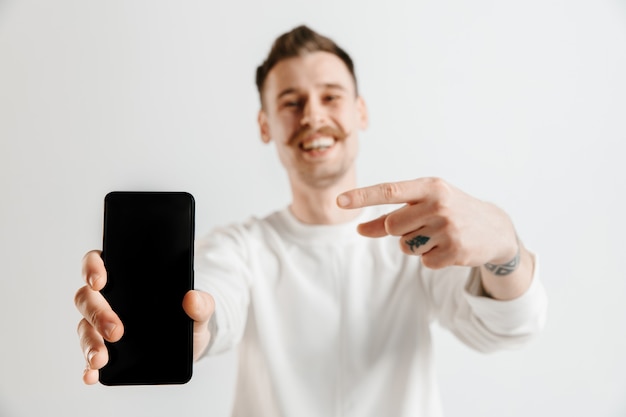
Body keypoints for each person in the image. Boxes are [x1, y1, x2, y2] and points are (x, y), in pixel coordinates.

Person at [75, 25, 547, 416]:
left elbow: (507, 328)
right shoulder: (243, 248)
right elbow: (216, 306)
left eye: (331, 96)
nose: (313, 116)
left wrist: (504, 249)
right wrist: (188, 327)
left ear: (360, 111)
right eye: (291, 102)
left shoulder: (415, 238)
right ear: (266, 125)